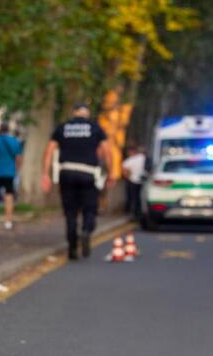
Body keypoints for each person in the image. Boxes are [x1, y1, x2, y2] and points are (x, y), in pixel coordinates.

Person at [42, 104, 114, 260]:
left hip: (66, 173)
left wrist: (45, 174)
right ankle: (87, 230)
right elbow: (107, 151)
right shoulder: (95, 128)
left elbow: (49, 150)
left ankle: (72, 247)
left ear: (74, 114)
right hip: (88, 174)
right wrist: (111, 173)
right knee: (90, 209)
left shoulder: (63, 128)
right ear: (86, 114)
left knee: (70, 212)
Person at [0, 122, 23, 230]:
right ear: (8, 130)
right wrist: (16, 169)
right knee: (9, 195)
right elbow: (18, 158)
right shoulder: (15, 141)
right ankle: (8, 221)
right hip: (10, 172)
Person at [122, 144, 146, 218]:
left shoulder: (128, 161)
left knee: (133, 198)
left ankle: (134, 213)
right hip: (142, 181)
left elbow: (125, 172)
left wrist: (128, 177)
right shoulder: (142, 157)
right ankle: (139, 213)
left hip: (132, 181)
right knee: (139, 198)